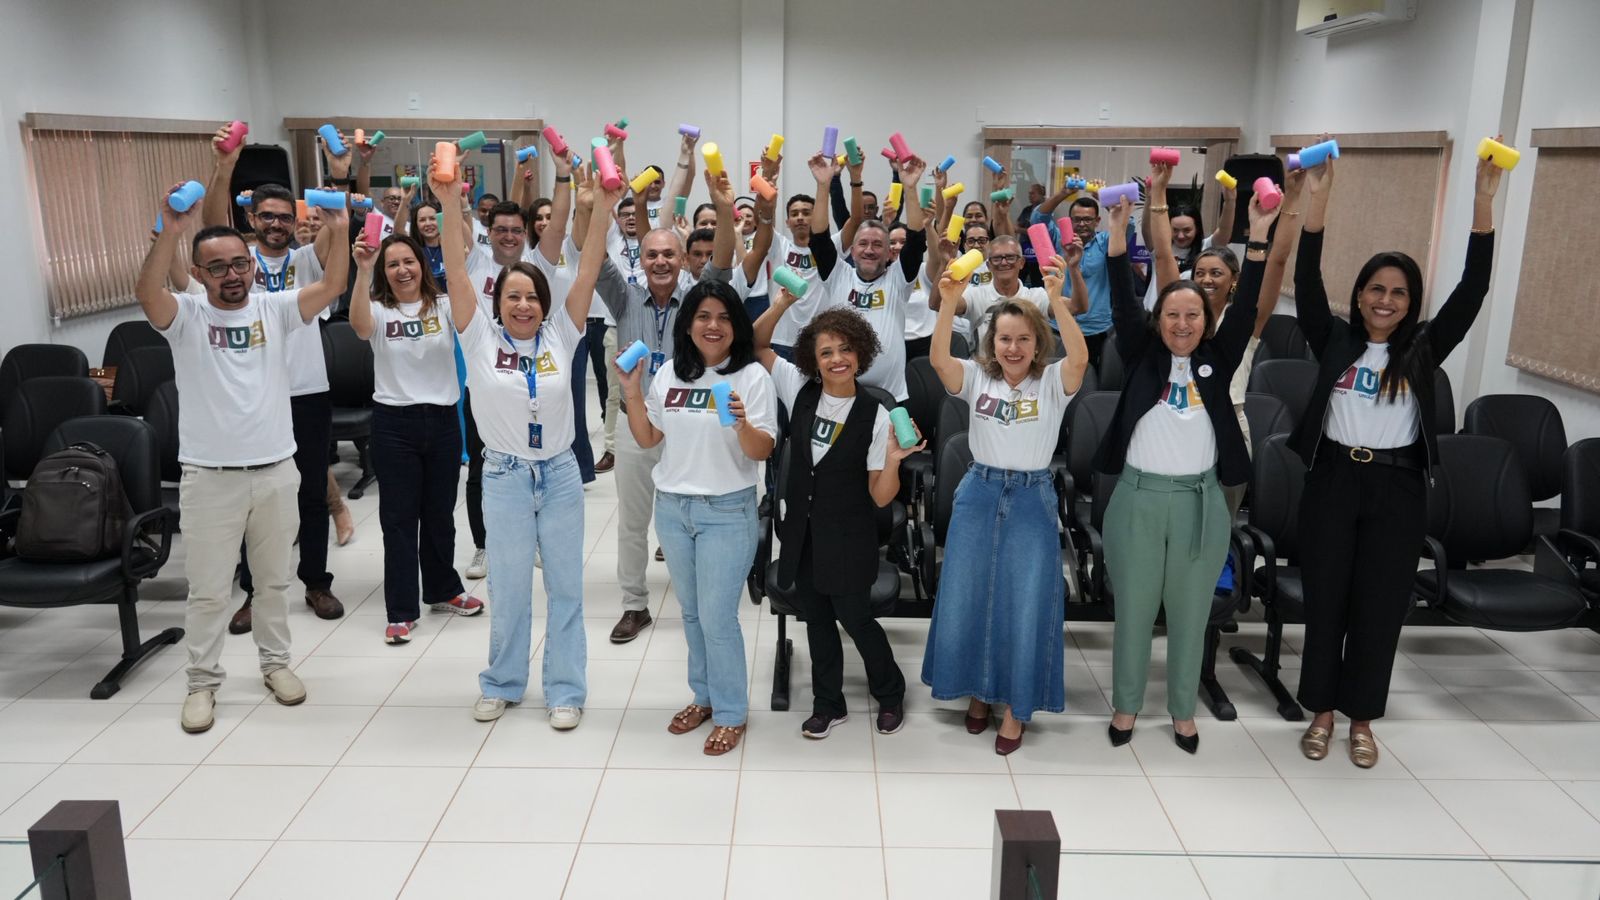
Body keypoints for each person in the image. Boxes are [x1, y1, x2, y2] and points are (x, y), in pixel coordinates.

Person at [1292, 150, 1504, 768]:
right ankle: (1322, 713)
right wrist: (1319, 198)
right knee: (1327, 599)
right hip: (1333, 479)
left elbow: (1474, 289)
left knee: (1381, 607)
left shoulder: (1424, 348)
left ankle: (1361, 719)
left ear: (1410, 303)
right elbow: (1307, 278)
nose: (1385, 300)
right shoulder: (1333, 339)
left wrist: (1484, 204)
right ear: (1358, 296)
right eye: (1375, 289)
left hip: (1398, 490)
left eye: (1398, 293)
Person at [135, 183, 349, 734]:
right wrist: (171, 231)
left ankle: (276, 666)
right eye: (218, 268)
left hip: (276, 471)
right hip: (210, 479)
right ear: (201, 275)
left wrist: (342, 229)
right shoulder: (185, 317)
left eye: (240, 264)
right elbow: (147, 291)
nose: (232, 275)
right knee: (208, 591)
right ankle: (202, 684)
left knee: (273, 584)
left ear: (252, 264)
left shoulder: (274, 310)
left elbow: (333, 285)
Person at [1095, 192, 1277, 754]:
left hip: (1200, 502)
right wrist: (1120, 235)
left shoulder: (1218, 359)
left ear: (1206, 319)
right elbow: (1124, 306)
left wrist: (1261, 235)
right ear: (1160, 320)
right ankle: (1126, 706)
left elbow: (1247, 306)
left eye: (1192, 314)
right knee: (1135, 609)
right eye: (1172, 314)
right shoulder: (1141, 352)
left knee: (1192, 611)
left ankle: (1181, 711)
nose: (1181, 323)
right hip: (1138, 500)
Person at [434, 156, 604, 730]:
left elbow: (587, 270)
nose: (524, 304)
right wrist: (446, 199)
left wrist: (601, 205)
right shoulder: (478, 334)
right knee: (508, 588)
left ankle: (564, 689)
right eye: (513, 297)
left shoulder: (561, 332)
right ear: (498, 303)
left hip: (558, 475)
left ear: (544, 302)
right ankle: (502, 683)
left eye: (533, 296)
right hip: (504, 476)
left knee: (565, 588)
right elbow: (456, 270)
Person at [920, 249, 1089, 755]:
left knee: (1025, 603)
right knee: (970, 596)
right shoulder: (978, 377)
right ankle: (978, 694)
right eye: (1004, 339)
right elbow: (937, 361)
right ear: (991, 343)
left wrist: (1057, 302)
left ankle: (1014, 708)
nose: (1013, 348)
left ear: (1038, 342)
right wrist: (949, 302)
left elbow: (1078, 357)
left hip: (1031, 497)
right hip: (979, 491)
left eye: (1023, 339)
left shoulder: (1053, 381)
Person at [617, 277, 777, 756]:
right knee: (691, 614)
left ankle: (731, 713)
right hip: (673, 508)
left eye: (724, 317)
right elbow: (648, 439)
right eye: (703, 316)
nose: (713, 326)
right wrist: (631, 390)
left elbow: (762, 449)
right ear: (687, 326)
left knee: (717, 617)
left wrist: (744, 422)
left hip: (727, 511)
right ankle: (704, 696)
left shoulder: (751, 377)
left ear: (736, 327)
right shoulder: (669, 376)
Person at [199, 127, 346, 635]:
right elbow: (210, 221)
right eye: (269, 217)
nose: (278, 224)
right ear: (252, 220)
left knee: (309, 493)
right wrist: (225, 164)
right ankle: (254, 592)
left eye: (287, 217)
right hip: (254, 396)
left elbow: (336, 230)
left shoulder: (307, 261)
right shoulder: (238, 263)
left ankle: (315, 582)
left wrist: (339, 171)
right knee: (250, 499)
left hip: (307, 391)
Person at [592, 140, 739, 646]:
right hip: (637, 424)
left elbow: (721, 259)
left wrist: (722, 207)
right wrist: (600, 201)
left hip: (687, 424)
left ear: (682, 259)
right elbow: (589, 255)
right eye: (651, 254)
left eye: (668, 254)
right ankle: (635, 604)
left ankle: (696, 601)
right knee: (634, 523)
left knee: (688, 519)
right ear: (643, 258)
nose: (659, 261)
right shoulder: (622, 294)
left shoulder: (699, 300)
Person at [754, 298, 922, 738]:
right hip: (802, 536)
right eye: (826, 351)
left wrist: (893, 460)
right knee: (817, 622)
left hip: (848, 537)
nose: (836, 359)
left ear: (860, 354)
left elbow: (881, 497)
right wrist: (784, 302)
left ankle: (890, 691)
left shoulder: (876, 414)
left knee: (856, 619)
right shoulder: (799, 388)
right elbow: (758, 342)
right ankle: (828, 702)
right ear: (813, 358)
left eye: (845, 349)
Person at [1146, 161, 1305, 517]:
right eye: (1199, 271)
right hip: (1175, 415)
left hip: (1229, 420)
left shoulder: (1244, 319)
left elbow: (1277, 261)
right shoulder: (1181, 318)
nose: (1205, 279)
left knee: (1219, 522)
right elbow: (1162, 255)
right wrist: (1158, 193)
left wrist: (1292, 198)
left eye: (1216, 272)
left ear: (1234, 280)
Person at [350, 232, 484, 644]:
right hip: (394, 425)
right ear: (384, 272)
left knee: (441, 513)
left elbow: (471, 318)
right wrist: (363, 269)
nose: (402, 270)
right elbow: (357, 327)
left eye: (408, 261)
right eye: (393, 264)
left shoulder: (443, 306)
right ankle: (402, 609)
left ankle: (444, 589)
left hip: (443, 419)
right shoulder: (376, 309)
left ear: (422, 265)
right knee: (399, 519)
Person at [798, 151, 931, 402]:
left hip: (891, 397)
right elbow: (818, 239)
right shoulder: (838, 275)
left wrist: (910, 188)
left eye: (877, 245)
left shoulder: (898, 279)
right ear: (853, 250)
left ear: (889, 251)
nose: (869, 250)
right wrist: (823, 185)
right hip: (840, 395)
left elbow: (915, 239)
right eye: (863, 244)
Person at [1034, 189, 1113, 368]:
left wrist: (1105, 200)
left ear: (1097, 221)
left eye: (1088, 219)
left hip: (1096, 328)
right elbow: (1038, 218)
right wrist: (1063, 193)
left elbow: (1127, 227)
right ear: (1070, 221)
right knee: (1054, 377)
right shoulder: (1058, 240)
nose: (1082, 224)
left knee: (1090, 380)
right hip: (1058, 325)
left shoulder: (1105, 242)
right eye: (1077, 219)